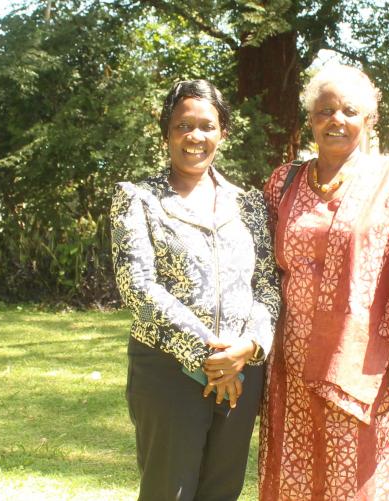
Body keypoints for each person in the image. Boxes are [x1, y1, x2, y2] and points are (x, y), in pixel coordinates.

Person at [259, 64, 389, 501]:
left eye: (349, 110)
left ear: (368, 119)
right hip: (291, 371)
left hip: (370, 372)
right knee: (296, 483)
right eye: (324, 110)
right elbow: (263, 274)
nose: (336, 120)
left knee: (365, 485)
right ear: (310, 119)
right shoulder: (283, 183)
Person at [110, 79, 280, 501]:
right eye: (183, 125)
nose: (195, 137)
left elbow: (269, 289)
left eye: (207, 125)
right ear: (167, 132)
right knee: (170, 492)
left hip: (242, 373)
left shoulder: (250, 204)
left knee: (222, 491)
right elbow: (139, 289)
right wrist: (209, 354)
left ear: (222, 132)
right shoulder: (137, 198)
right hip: (168, 372)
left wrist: (249, 347)